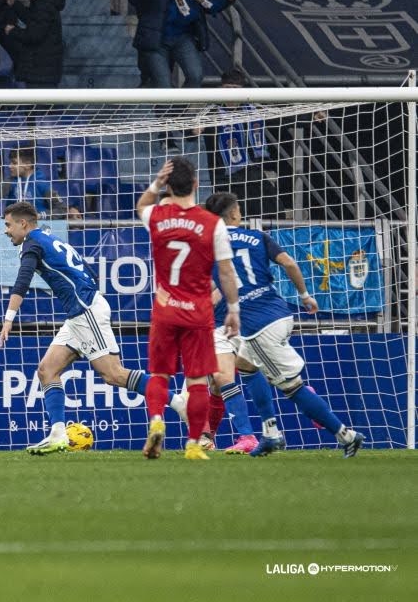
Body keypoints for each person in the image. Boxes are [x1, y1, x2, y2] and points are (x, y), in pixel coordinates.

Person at [0, 201, 187, 454]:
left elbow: (23, 279)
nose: (6, 231)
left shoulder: (31, 243)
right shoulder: (49, 238)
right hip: (79, 314)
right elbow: (86, 271)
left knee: (113, 375)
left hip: (86, 311)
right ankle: (57, 435)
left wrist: (9, 318)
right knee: (47, 370)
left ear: (23, 223)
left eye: (8, 225)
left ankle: (178, 402)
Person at [203, 192, 365, 458]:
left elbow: (214, 285)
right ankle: (269, 434)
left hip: (257, 325)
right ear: (233, 214)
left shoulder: (211, 249)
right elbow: (288, 262)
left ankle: (345, 435)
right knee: (247, 366)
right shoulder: (257, 236)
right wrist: (304, 295)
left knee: (292, 387)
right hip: (278, 312)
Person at [135, 157, 240, 460]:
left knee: (159, 374)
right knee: (196, 381)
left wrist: (156, 183)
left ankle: (156, 420)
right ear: (196, 184)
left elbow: (141, 205)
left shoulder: (157, 215)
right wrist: (233, 308)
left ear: (168, 185)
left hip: (166, 309)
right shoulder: (212, 223)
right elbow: (226, 272)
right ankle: (195, 444)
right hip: (198, 312)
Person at [205, 67, 279, 218]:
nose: (232, 93)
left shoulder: (253, 111)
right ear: (220, 89)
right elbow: (188, 129)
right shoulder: (211, 113)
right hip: (225, 178)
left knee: (274, 212)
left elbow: (283, 117)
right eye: (228, 88)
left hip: (253, 175)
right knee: (232, 217)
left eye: (236, 89)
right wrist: (194, 130)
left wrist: (311, 117)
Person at [2, 0, 64, 89]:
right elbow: (33, 19)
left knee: (42, 105)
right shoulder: (46, 2)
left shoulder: (44, 6)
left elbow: (34, 35)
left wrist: (13, 30)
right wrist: (14, 4)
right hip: (44, 68)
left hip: (42, 69)